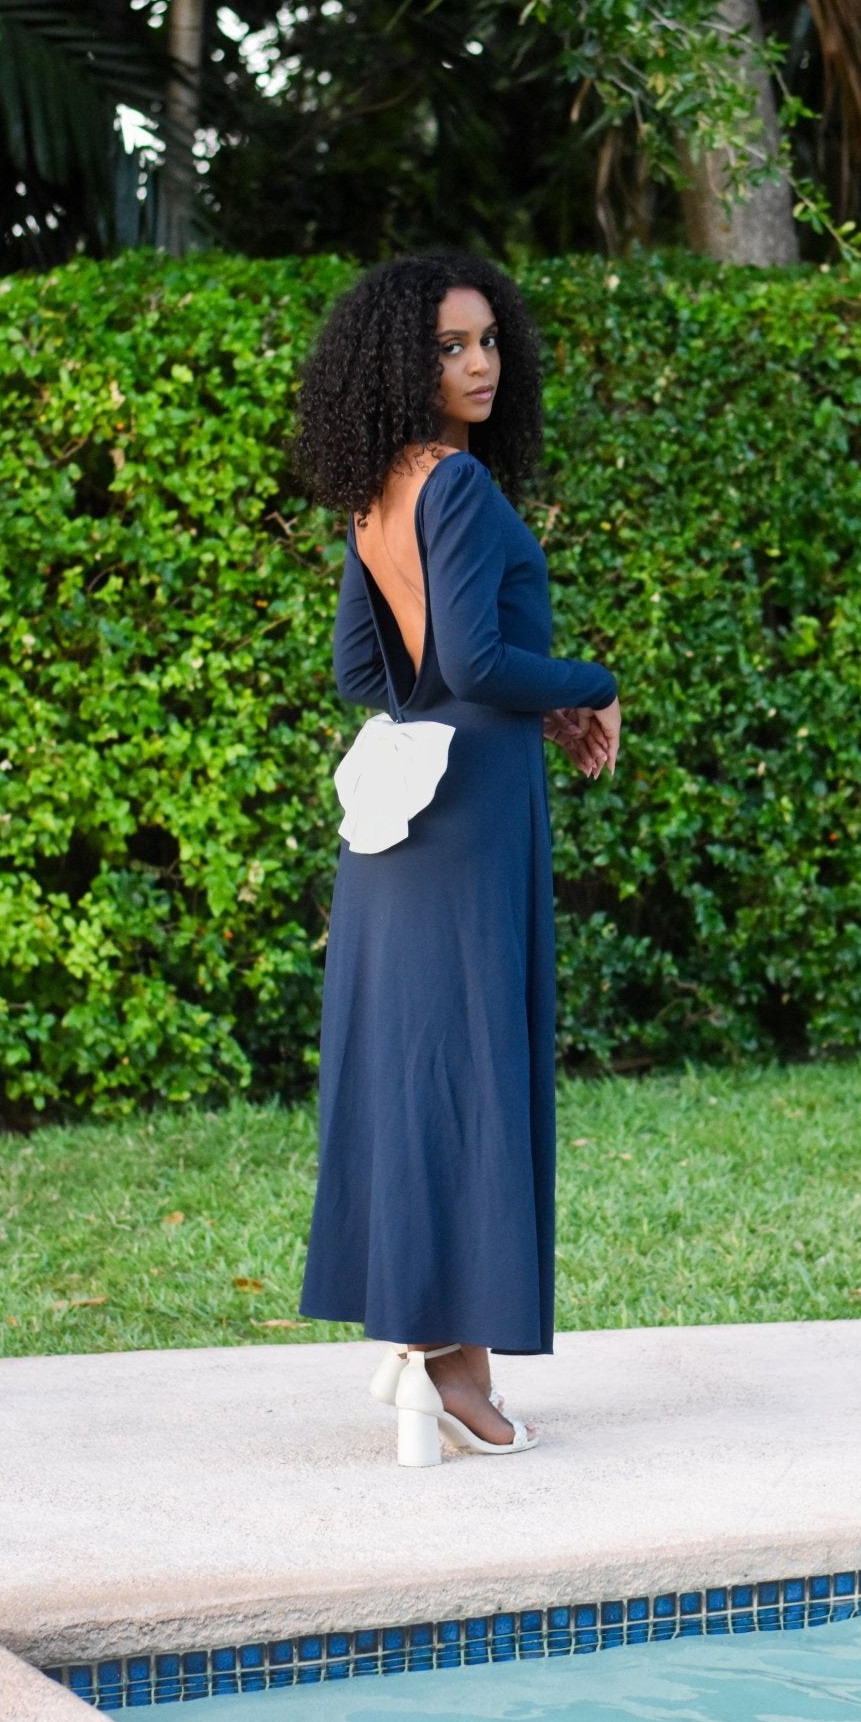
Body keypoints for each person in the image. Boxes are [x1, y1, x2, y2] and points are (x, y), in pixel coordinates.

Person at [290, 251, 622, 1466]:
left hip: (398, 822)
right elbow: (480, 663)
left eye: (486, 341)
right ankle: (452, 1369)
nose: (477, 364)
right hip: (473, 813)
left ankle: (434, 1354)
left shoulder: (382, 488)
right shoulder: (464, 494)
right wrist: (590, 684)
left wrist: (501, 702)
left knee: (420, 1070)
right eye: (448, 346)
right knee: (477, 1071)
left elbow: (366, 675)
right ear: (400, 358)